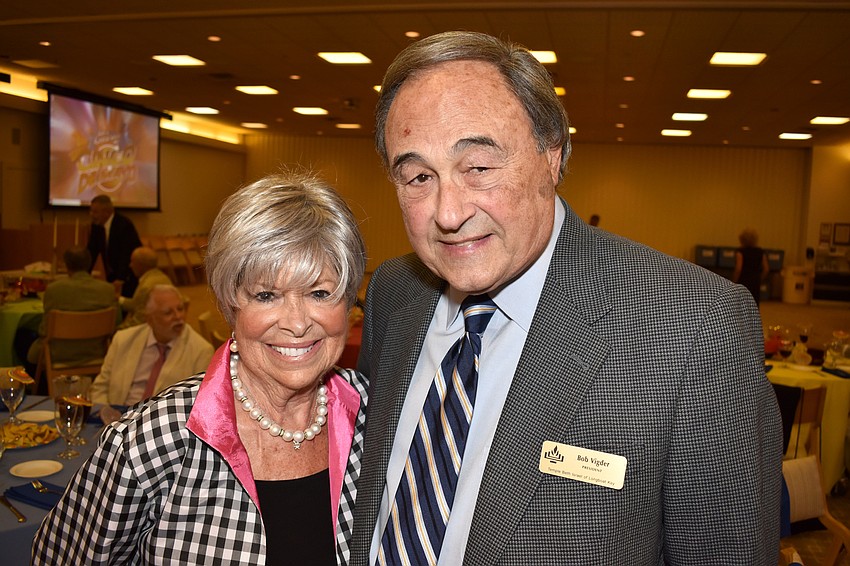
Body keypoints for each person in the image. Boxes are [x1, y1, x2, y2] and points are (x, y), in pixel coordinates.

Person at [349, 31, 782, 565]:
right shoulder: (395, 295)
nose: (448, 211)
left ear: (552, 156)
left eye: (479, 167)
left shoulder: (694, 327)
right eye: (417, 176)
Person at [33, 171, 369, 565]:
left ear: (347, 303)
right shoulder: (148, 442)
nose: (296, 323)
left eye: (319, 292)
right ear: (230, 305)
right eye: (266, 295)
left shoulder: (375, 413)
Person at [90, 284, 213, 410]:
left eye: (180, 309)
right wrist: (104, 410)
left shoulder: (201, 351)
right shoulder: (123, 340)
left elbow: (197, 404)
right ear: (150, 319)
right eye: (168, 312)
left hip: (161, 422)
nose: (178, 317)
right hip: (117, 415)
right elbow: (101, 387)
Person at [25, 246, 119, 372]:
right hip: (96, 352)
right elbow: (114, 325)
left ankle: (40, 388)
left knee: (23, 339)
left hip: (58, 354)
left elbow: (44, 329)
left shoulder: (54, 289)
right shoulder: (107, 290)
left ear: (66, 265)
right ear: (89, 263)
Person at [86, 194, 142, 298]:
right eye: (91, 211)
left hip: (128, 276)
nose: (91, 215)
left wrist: (120, 278)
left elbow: (126, 254)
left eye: (95, 212)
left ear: (107, 212)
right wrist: (83, 273)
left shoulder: (124, 225)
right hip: (111, 274)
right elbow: (91, 251)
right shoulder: (96, 225)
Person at [117, 246, 174, 329]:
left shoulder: (146, 287)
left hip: (149, 332)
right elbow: (138, 304)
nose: (130, 265)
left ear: (140, 265)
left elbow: (138, 323)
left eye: (132, 262)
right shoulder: (163, 277)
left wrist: (115, 331)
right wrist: (119, 299)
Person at [733, 228, 770, 305]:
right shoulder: (760, 252)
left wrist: (734, 281)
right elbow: (766, 269)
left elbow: (738, 269)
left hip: (743, 281)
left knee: (742, 303)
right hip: (755, 281)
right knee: (754, 302)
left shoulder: (740, 252)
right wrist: (760, 278)